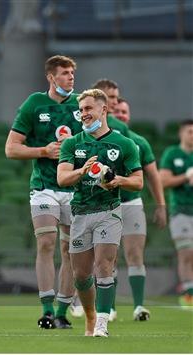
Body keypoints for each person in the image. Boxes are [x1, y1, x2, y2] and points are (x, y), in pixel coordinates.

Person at [57, 89, 143, 337]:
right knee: (81, 276)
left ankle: (102, 325)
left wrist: (117, 181)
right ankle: (91, 316)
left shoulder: (124, 144)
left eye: (88, 108)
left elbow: (138, 182)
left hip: (109, 210)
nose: (83, 114)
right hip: (81, 213)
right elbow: (62, 178)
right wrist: (82, 172)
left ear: (103, 110)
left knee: (105, 265)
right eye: (81, 109)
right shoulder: (73, 143)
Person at [5, 55, 79, 329]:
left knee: (70, 249)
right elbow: (11, 148)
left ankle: (63, 311)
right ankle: (47, 310)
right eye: (64, 73)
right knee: (46, 243)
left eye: (72, 72)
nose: (70, 77)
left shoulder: (81, 105)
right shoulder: (34, 104)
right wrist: (43, 151)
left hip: (74, 187)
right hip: (44, 188)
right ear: (50, 77)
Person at [114, 97, 167, 320]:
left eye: (124, 112)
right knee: (108, 258)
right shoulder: (97, 140)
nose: (121, 115)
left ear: (129, 116)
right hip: (106, 205)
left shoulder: (139, 142)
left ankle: (138, 307)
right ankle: (109, 309)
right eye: (116, 111)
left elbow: (153, 176)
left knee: (135, 254)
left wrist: (161, 205)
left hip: (132, 203)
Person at [91, 78, 131, 320]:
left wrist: (114, 180)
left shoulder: (123, 133)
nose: (115, 103)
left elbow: (135, 172)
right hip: (84, 203)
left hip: (114, 202)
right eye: (112, 98)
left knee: (108, 257)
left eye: (117, 98)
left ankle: (107, 309)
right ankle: (78, 300)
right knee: (81, 259)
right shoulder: (80, 129)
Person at [159, 119, 193, 308]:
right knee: (186, 251)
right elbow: (163, 181)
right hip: (180, 210)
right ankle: (189, 294)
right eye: (190, 131)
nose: (192, 135)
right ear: (181, 133)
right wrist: (186, 177)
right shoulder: (172, 153)